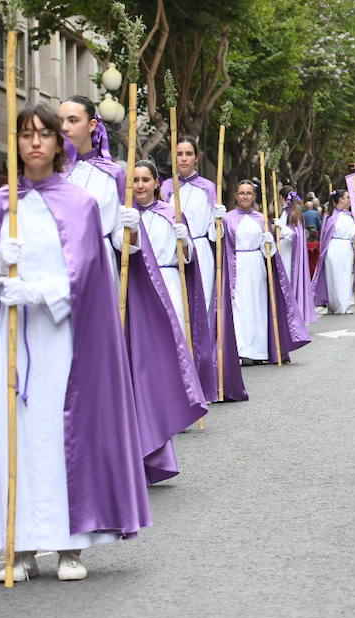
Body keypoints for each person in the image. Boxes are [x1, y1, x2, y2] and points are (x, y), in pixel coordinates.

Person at [0, 102, 151, 583]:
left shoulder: (80, 204)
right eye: (25, 134)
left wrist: (38, 291)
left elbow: (88, 277)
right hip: (8, 339)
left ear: (59, 143)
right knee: (9, 433)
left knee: (60, 434)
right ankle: (18, 543)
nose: (35, 141)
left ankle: (71, 544)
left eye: (44, 134)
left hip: (60, 339)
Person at [125, 160, 208, 481]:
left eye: (146, 179)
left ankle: (179, 405)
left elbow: (187, 261)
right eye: (135, 180)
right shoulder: (125, 217)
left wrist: (185, 242)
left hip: (170, 286)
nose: (141, 185)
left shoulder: (170, 214)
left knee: (174, 353)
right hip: (140, 290)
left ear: (157, 183)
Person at [222, 179, 307, 365]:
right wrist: (215, 223)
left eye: (249, 193)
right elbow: (218, 242)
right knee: (240, 308)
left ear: (254, 196)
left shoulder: (261, 219)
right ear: (236, 196)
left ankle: (259, 350)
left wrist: (269, 242)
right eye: (242, 193)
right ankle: (242, 350)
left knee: (258, 307)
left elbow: (268, 253)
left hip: (257, 268)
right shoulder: (227, 219)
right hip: (237, 267)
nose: (245, 196)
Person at [58, 95, 137, 280]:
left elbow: (121, 238)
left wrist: (132, 229)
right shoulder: (48, 173)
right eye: (59, 121)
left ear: (92, 125)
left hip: (99, 266)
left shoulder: (114, 174)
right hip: (55, 264)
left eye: (73, 120)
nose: (64, 127)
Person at [160, 134, 222, 319]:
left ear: (196, 157)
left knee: (201, 305)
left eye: (188, 153)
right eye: (179, 153)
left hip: (200, 251)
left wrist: (219, 220)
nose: (184, 158)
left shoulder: (208, 187)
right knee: (177, 307)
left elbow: (215, 234)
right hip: (173, 252)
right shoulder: (166, 187)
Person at [276, 189, 318, 332]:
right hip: (284, 250)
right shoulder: (289, 213)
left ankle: (292, 316)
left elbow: (294, 235)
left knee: (288, 282)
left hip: (289, 253)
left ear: (282, 198)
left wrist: (280, 227)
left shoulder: (292, 214)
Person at [311, 190, 355, 314]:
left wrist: (354, 237)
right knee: (334, 277)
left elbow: (352, 232)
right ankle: (335, 305)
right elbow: (325, 235)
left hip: (347, 247)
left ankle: (345, 304)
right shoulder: (329, 216)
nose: (349, 199)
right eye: (347, 197)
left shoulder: (349, 215)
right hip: (334, 247)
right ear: (340, 199)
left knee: (347, 275)